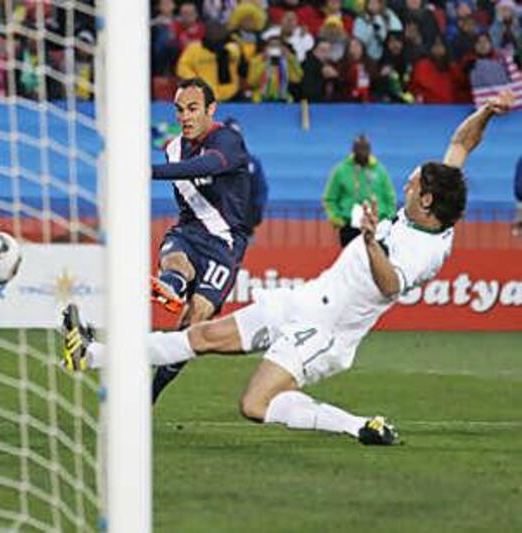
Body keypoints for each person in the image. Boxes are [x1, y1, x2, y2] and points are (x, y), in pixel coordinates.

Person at [62, 91, 514, 445]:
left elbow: (391, 284)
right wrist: (489, 113)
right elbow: (460, 144)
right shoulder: (434, 199)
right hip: (298, 300)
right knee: (197, 337)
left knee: (255, 405)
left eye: (414, 184)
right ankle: (90, 355)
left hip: (325, 333)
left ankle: (359, 425)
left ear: (428, 200)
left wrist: (371, 241)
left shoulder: (427, 249)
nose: (407, 183)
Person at [146, 78, 259, 403]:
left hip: (224, 245)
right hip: (188, 233)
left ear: (211, 109)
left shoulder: (228, 140)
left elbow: (209, 165)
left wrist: (147, 170)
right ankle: (172, 283)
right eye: (180, 110)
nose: (185, 116)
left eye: (193, 109)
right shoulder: (173, 148)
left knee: (192, 326)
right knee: (176, 260)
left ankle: (150, 394)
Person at [323, 134, 396, 247]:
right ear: (353, 150)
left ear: (370, 150)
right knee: (352, 262)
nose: (363, 152)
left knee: (377, 261)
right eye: (359, 148)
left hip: (377, 225)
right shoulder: (341, 170)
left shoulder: (380, 170)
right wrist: (337, 219)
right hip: (350, 226)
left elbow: (390, 197)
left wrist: (388, 217)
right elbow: (329, 198)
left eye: (365, 148)